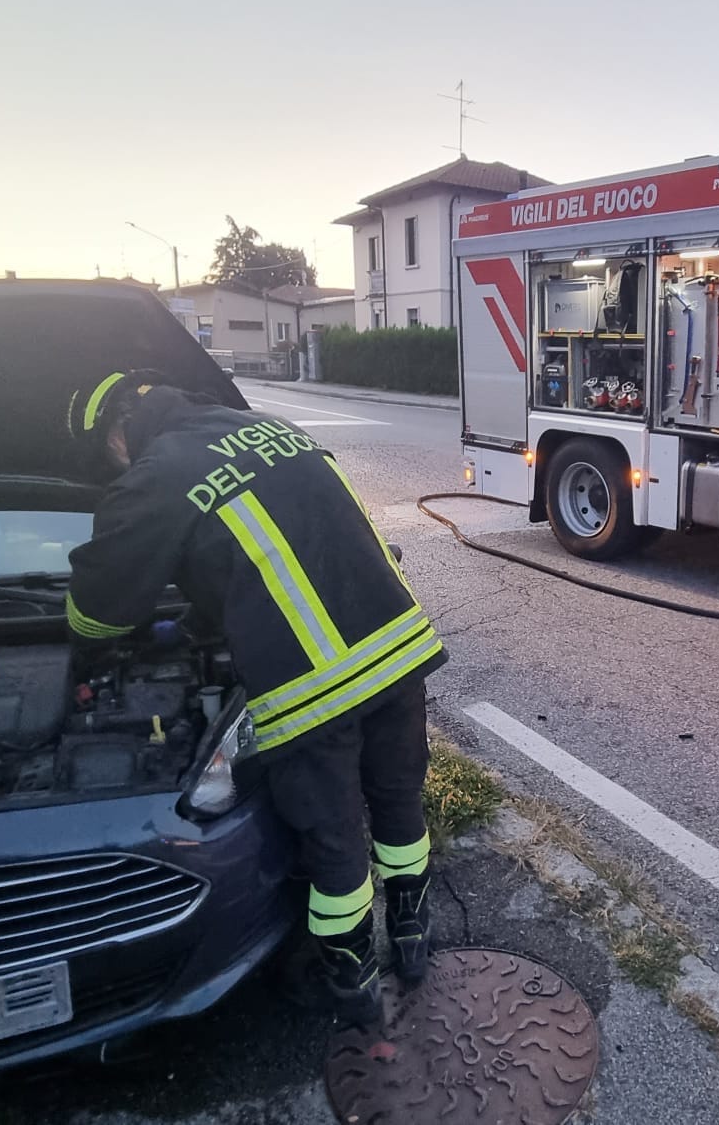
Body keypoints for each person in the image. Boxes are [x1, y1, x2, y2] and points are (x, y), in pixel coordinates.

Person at [60, 370, 445, 1025]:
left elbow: (98, 615)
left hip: (314, 690)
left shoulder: (157, 471)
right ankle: (413, 938)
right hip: (399, 649)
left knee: (334, 843)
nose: (111, 466)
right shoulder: (271, 430)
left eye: (105, 457)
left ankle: (350, 983)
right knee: (397, 799)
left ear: (117, 432)